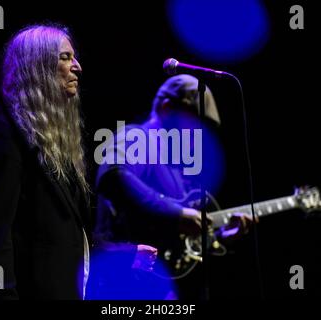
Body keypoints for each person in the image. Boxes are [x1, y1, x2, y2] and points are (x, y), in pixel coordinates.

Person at [0, 24, 157, 300]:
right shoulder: (7, 135)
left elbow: (70, 238)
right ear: (38, 67)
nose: (78, 67)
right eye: (65, 57)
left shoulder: (55, 144)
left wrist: (126, 254)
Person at [94, 74, 254, 299]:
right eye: (194, 121)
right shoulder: (137, 137)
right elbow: (113, 177)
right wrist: (177, 213)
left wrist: (218, 237)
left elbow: (169, 235)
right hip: (123, 282)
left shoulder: (176, 164)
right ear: (167, 108)